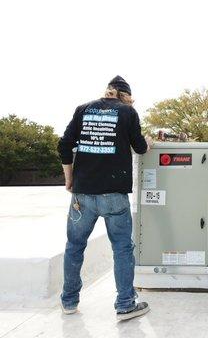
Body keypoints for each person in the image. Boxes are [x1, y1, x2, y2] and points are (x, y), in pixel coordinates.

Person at [57, 76, 151, 321]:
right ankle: (125, 304)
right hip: (114, 195)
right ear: (126, 96)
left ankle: (68, 302)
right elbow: (140, 147)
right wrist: (149, 143)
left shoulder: (83, 109)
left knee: (74, 247)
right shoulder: (128, 113)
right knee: (121, 249)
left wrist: (69, 179)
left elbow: (64, 145)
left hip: (82, 194)